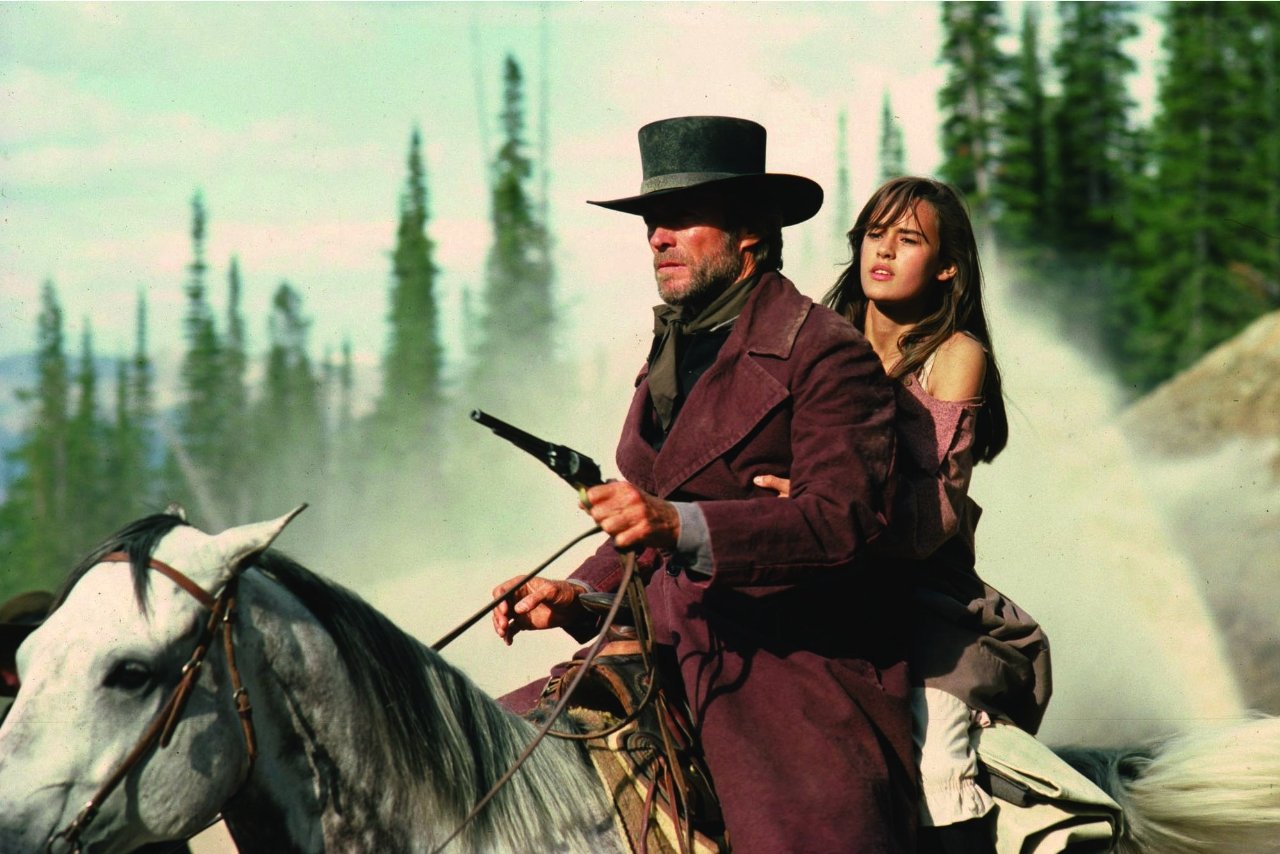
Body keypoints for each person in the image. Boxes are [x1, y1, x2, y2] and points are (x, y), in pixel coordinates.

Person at [491, 116, 916, 852]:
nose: (657, 238)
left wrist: (679, 524)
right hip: (658, 644)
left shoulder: (824, 352)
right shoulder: (673, 350)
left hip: (784, 660)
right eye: (652, 223)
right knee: (485, 762)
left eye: (682, 218)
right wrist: (577, 595)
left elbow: (842, 521)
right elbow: (640, 519)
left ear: (749, 230)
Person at [756, 177, 1052, 854]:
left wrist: (825, 505)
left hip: (918, 592)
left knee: (938, 764)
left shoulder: (955, 354)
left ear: (947, 267)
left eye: (909, 239)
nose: (883, 250)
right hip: (803, 571)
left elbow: (936, 511)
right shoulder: (816, 335)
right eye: (874, 234)